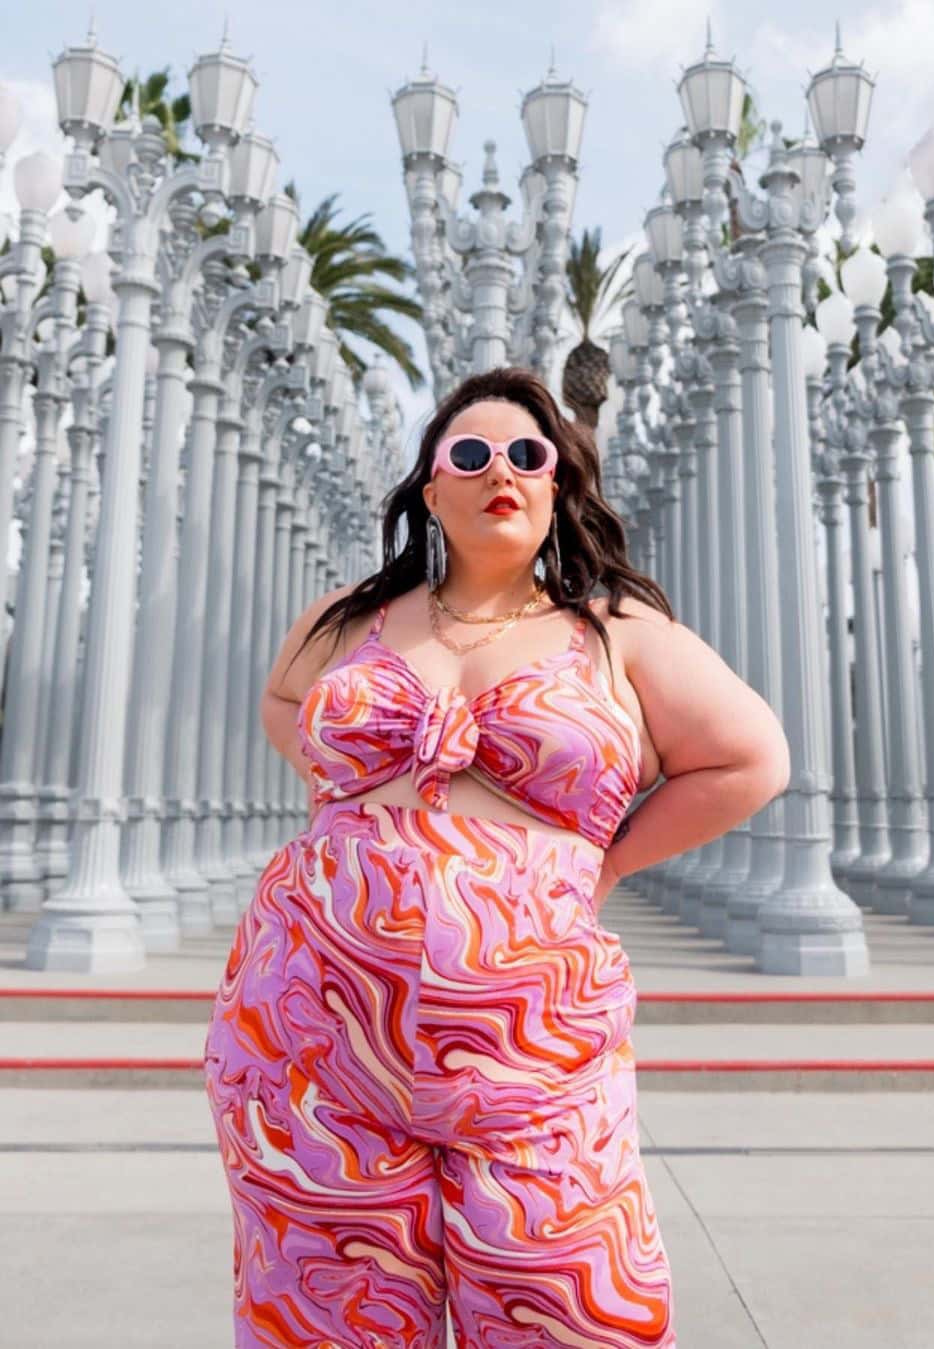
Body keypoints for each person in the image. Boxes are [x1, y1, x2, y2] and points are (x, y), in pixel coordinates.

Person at [203, 365, 790, 1347]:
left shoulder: (614, 633)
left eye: (527, 453)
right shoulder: (352, 616)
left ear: (557, 483)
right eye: (468, 454)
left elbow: (751, 758)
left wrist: (600, 865)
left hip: (535, 1054)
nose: (499, 471)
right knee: (321, 1315)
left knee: (569, 1307)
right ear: (433, 488)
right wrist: (350, 816)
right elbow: (281, 701)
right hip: (307, 1040)